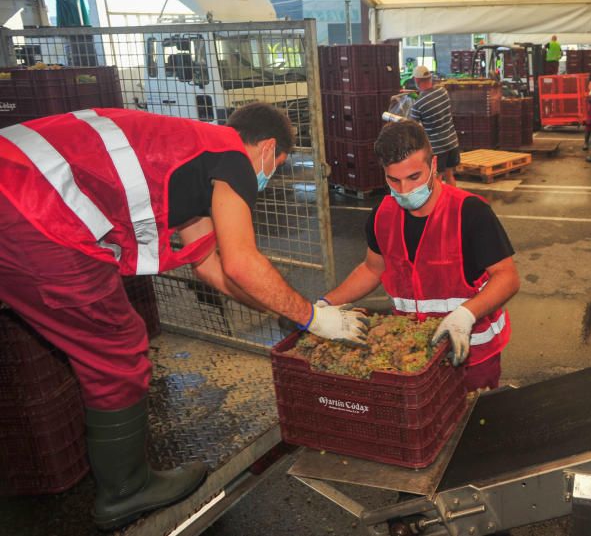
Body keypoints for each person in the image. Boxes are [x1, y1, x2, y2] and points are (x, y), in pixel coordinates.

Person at [0, 103, 368, 530]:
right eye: (277, 166)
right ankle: (126, 491)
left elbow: (212, 265)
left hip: (14, 179)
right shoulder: (233, 160)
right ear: (268, 147)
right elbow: (242, 264)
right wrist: (314, 318)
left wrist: (287, 312)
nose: (269, 178)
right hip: (31, 205)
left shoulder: (196, 155)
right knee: (116, 347)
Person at [319, 121, 519, 392]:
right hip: (414, 354)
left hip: (471, 352)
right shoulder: (382, 216)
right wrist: (324, 305)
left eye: (414, 177)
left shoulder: (469, 213)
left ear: (433, 165)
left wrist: (465, 315)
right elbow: (371, 269)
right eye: (394, 180)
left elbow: (506, 277)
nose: (404, 190)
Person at [408, 65, 461, 186]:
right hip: (452, 143)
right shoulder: (443, 92)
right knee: (449, 175)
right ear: (430, 78)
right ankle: (452, 203)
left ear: (416, 80)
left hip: (438, 148)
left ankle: (438, 205)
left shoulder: (418, 105)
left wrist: (416, 101)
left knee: (437, 179)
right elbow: (433, 102)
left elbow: (413, 128)